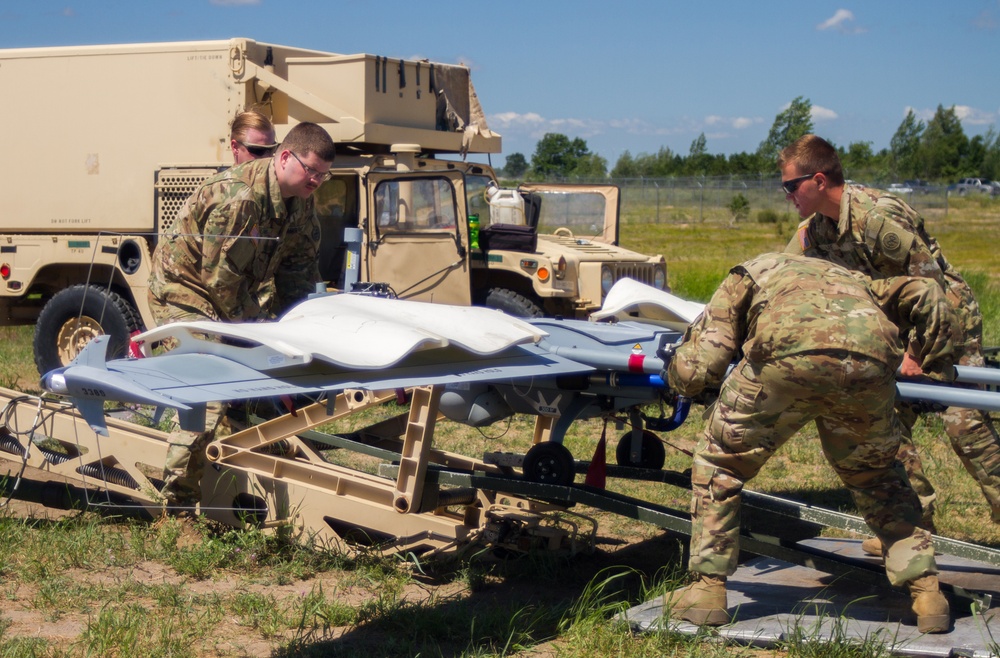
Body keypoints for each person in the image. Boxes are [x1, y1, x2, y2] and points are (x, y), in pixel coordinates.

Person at [662, 252, 957, 633]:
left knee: (722, 465)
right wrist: (932, 361)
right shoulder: (856, 280)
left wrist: (675, 376)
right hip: (869, 362)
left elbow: (704, 362)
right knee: (878, 477)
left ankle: (707, 591)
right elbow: (927, 291)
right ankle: (928, 593)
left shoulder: (749, 272)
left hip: (787, 355)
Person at [779, 134, 1000, 552]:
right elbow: (789, 273)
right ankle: (909, 527)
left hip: (944, 319)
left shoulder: (878, 218)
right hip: (895, 325)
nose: (786, 195)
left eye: (791, 185)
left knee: (965, 423)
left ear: (819, 180)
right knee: (884, 424)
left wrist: (915, 355)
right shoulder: (817, 229)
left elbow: (931, 287)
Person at [149, 121, 336, 507]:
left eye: (323, 175)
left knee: (260, 375)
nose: (317, 181)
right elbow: (219, 283)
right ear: (285, 157)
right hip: (182, 291)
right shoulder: (240, 198)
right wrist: (263, 333)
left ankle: (249, 456)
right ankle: (177, 502)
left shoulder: (300, 200)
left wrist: (303, 332)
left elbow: (298, 273)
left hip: (235, 291)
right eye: (311, 171)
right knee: (207, 387)